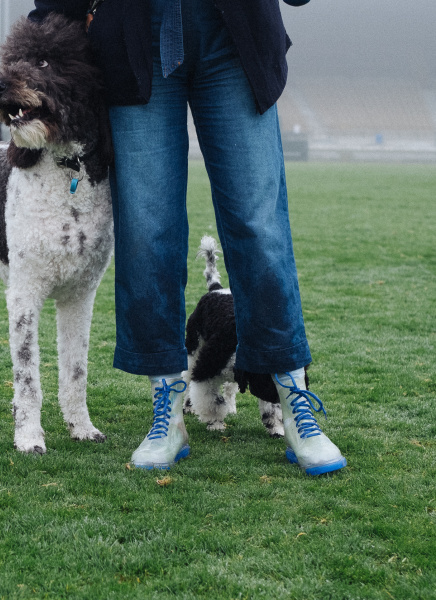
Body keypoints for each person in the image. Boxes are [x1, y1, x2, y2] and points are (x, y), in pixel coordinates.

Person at [29, 0, 346, 475]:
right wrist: (56, 18)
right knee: (148, 230)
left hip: (233, 30)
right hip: (137, 30)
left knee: (259, 226)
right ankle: (168, 411)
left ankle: (293, 398)